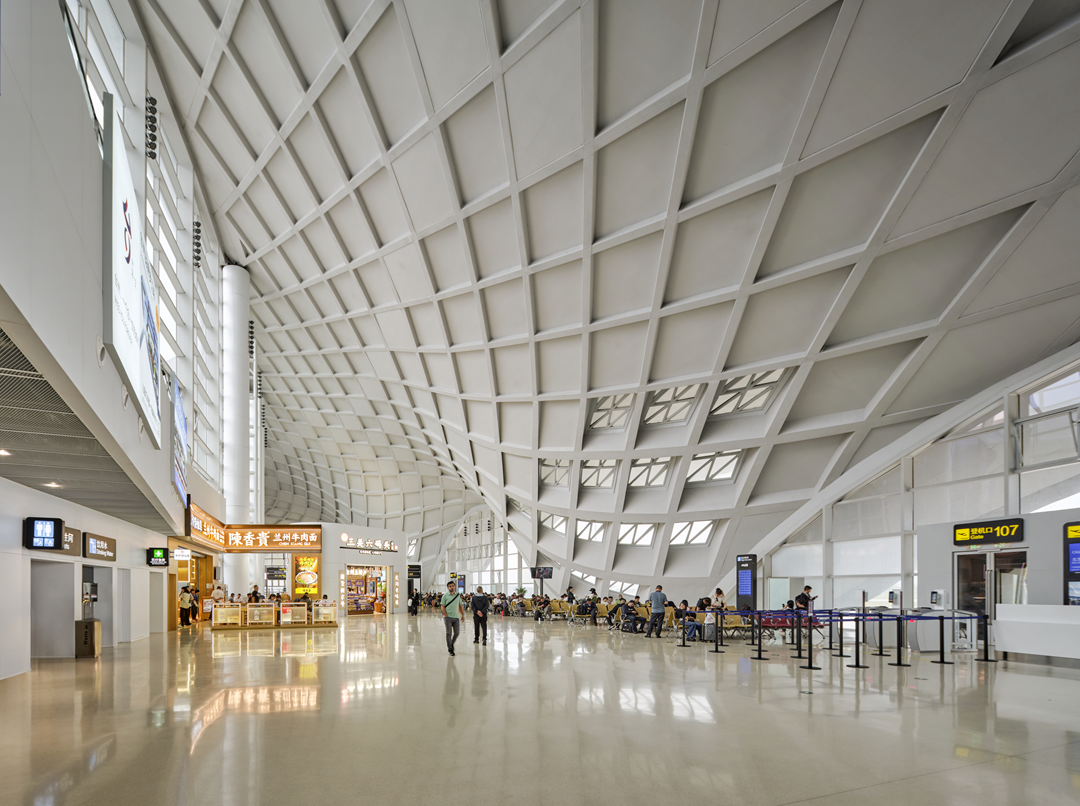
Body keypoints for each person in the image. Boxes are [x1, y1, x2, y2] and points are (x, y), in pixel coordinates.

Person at [441, 580, 465, 656]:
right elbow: (442, 606)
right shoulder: (445, 596)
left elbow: (460, 605)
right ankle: (450, 649)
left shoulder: (457, 595)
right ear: (448, 587)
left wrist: (463, 615)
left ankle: (451, 643)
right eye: (450, 586)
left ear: (454, 587)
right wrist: (445, 615)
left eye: (453, 586)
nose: (452, 587)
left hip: (456, 617)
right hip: (448, 617)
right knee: (449, 633)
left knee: (457, 633)